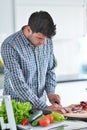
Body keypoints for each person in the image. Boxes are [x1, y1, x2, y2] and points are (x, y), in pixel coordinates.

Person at [1, 11, 65, 114]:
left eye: (46, 39)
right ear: (28, 29)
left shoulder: (46, 41)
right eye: (39, 38)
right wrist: (44, 107)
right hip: (16, 109)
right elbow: (18, 84)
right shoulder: (10, 45)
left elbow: (50, 70)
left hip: (42, 110)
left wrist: (50, 93)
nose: (43, 43)